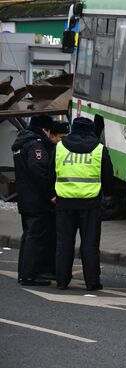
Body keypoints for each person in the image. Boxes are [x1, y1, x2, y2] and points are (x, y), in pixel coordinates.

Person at [52, 117, 113, 291]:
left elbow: (50, 172)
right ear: (91, 130)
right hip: (90, 203)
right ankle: (92, 282)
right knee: (90, 244)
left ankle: (62, 281)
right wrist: (106, 194)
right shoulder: (100, 150)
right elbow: (108, 177)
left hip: (64, 202)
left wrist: (53, 193)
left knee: (64, 243)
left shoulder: (60, 147)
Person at [12, 115, 56, 285]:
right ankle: (32, 274)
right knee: (36, 237)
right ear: (45, 129)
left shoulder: (22, 142)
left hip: (25, 197)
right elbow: (39, 171)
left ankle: (25, 272)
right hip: (36, 199)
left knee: (29, 235)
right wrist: (50, 193)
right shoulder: (36, 145)